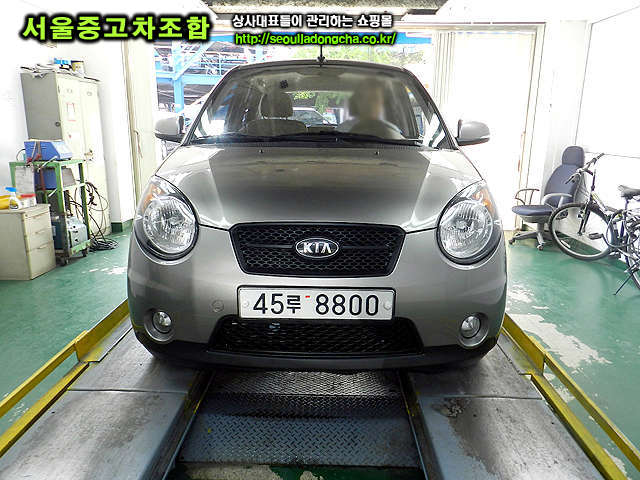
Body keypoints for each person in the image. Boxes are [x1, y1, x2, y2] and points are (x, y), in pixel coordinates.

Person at [337, 81, 402, 135]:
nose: (370, 103)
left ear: (382, 102)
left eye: (375, 98)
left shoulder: (393, 132)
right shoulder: (343, 130)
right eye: (364, 98)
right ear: (357, 102)